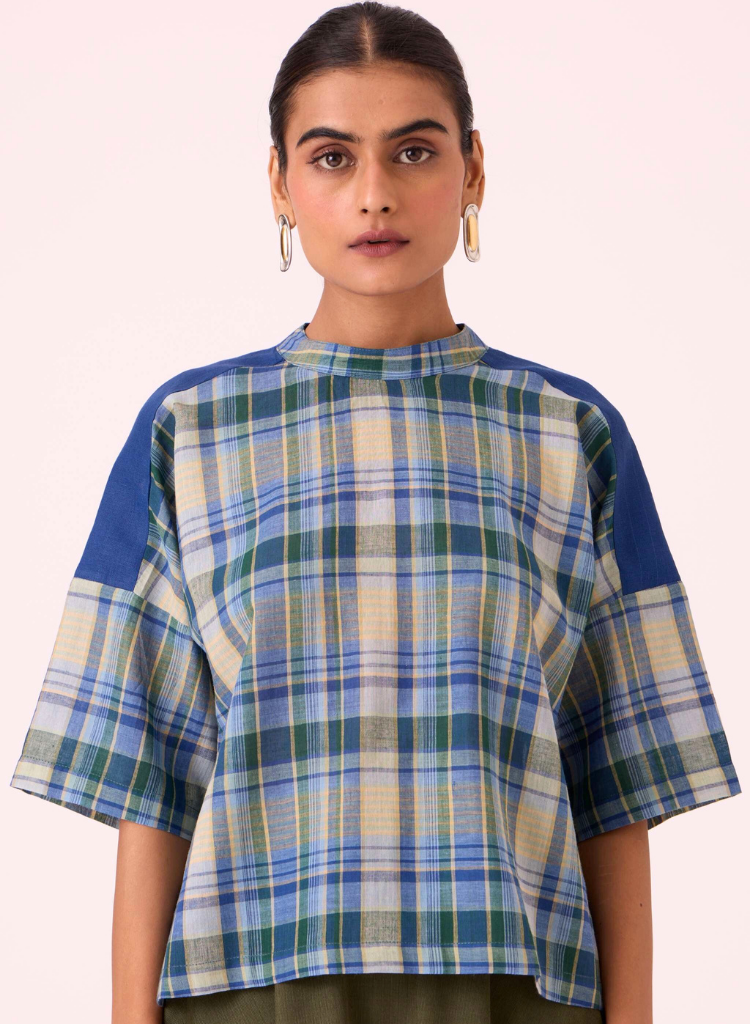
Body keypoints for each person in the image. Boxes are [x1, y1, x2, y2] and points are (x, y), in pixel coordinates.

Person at [8, 4, 742, 1023]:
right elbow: (152, 780)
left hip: (514, 983)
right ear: (279, 182)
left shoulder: (572, 433)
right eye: (331, 157)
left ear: (473, 170)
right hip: (250, 984)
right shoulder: (190, 431)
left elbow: (619, 787)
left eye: (414, 151)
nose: (374, 193)